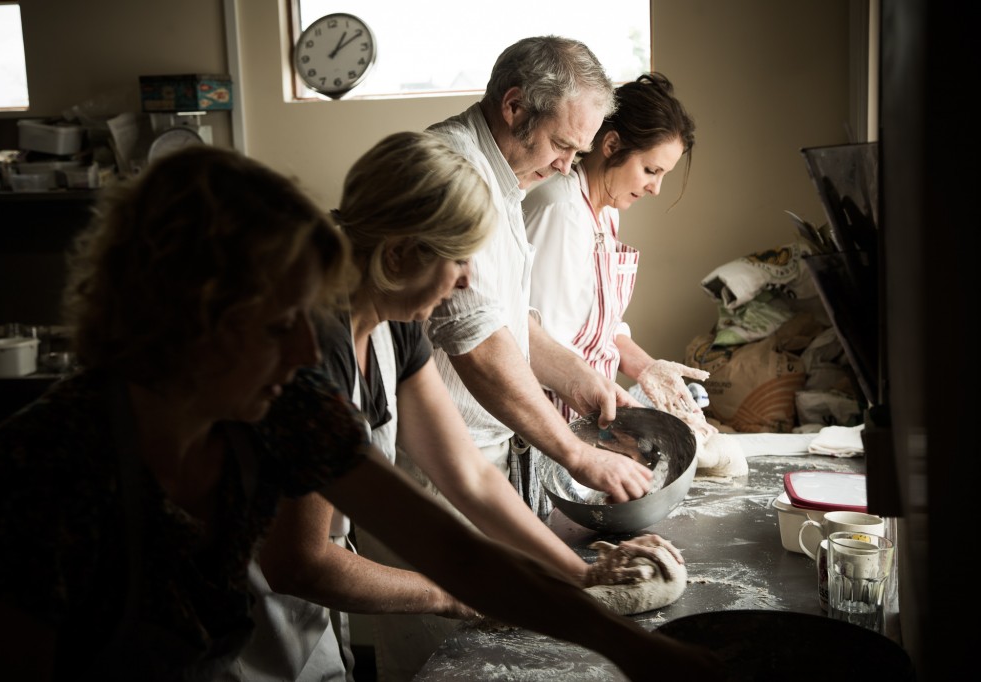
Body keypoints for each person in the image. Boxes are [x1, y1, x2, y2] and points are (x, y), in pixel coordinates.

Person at [0, 145, 718, 681]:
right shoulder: (37, 475)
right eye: (277, 324)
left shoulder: (288, 407)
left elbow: (452, 549)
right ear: (191, 319)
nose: (303, 352)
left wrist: (635, 649)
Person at [222, 131, 687, 682]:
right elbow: (300, 562)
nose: (468, 280)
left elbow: (467, 474)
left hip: (296, 622)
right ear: (397, 255)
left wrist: (578, 576)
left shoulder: (395, 325)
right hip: (225, 625)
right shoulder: (311, 351)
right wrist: (452, 596)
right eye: (460, 259)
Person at [424, 36, 653, 518]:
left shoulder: (507, 179)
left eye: (578, 151)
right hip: (436, 461)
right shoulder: (454, 173)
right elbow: (478, 344)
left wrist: (579, 381)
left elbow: (510, 321)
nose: (568, 166)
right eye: (562, 145)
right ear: (514, 106)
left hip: (486, 449)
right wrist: (577, 455)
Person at [522, 73, 715, 439]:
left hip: (584, 411)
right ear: (611, 145)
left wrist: (646, 367)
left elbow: (600, 329)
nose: (656, 189)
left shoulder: (606, 211)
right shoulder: (560, 209)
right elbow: (538, 344)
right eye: (650, 170)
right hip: (550, 418)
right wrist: (628, 415)